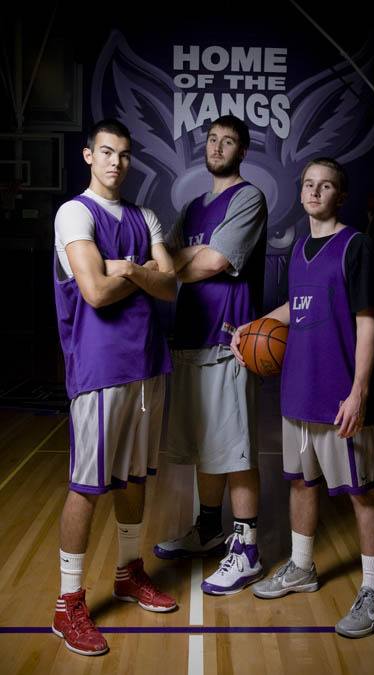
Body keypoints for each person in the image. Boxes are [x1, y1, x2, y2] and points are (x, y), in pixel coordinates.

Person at [231, 157, 374, 638]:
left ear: (340, 196)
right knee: (300, 483)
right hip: (297, 393)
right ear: (301, 193)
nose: (315, 192)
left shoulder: (354, 246)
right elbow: (296, 307)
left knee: (363, 495)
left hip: (340, 396)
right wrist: (253, 328)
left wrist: (358, 391)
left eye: (326, 186)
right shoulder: (299, 248)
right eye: (309, 185)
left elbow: (367, 320)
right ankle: (302, 567)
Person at [53, 118, 177, 656]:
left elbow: (170, 285)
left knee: (132, 477)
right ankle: (68, 605)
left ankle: (128, 573)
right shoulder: (74, 213)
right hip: (100, 368)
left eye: (124, 155)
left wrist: (126, 269)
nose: (116, 163)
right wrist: (137, 271)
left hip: (148, 364)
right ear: (88, 155)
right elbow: (96, 293)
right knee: (87, 483)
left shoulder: (143, 214)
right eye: (106, 152)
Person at [153, 115, 268, 595]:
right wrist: (178, 263)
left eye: (229, 141)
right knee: (206, 445)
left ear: (242, 152)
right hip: (190, 338)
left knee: (235, 446)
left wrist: (178, 263)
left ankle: (248, 549)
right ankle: (208, 529)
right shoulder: (193, 206)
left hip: (228, 340)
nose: (218, 146)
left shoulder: (248, 198)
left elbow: (213, 263)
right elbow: (175, 264)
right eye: (213, 139)